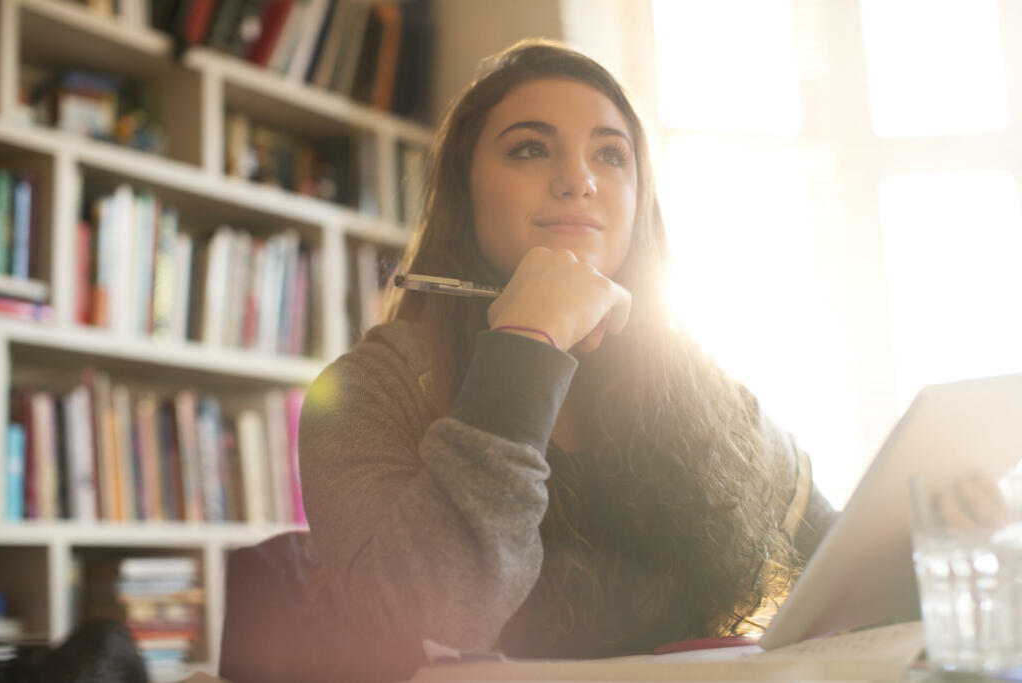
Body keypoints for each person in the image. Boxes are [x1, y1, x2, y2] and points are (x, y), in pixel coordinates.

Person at [298, 38, 837, 682]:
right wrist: (528, 343)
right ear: (464, 195)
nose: (578, 180)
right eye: (530, 148)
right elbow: (416, 624)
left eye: (611, 154)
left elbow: (844, 556)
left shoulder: (703, 388)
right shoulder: (370, 389)